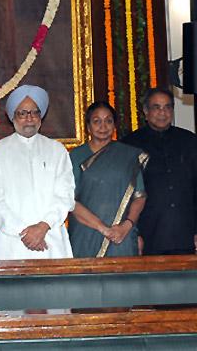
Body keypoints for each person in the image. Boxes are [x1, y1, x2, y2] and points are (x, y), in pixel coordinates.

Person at [0, 85, 75, 260]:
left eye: (34, 112)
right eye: (22, 113)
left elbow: (65, 195)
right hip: (12, 243)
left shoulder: (56, 150)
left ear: (41, 116)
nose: (29, 118)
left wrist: (43, 227)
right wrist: (24, 232)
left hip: (50, 239)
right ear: (13, 117)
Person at [122, 87, 197, 255]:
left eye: (167, 107)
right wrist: (134, 233)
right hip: (149, 235)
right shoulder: (129, 145)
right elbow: (124, 194)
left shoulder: (189, 141)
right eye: (156, 107)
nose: (162, 112)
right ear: (146, 111)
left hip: (186, 233)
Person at [68, 101, 148, 258]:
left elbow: (139, 196)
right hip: (86, 234)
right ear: (88, 127)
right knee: (87, 281)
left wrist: (126, 226)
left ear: (114, 125)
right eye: (97, 121)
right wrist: (104, 229)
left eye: (108, 121)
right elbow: (70, 201)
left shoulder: (129, 156)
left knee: (122, 282)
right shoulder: (75, 156)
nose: (103, 126)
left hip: (122, 235)